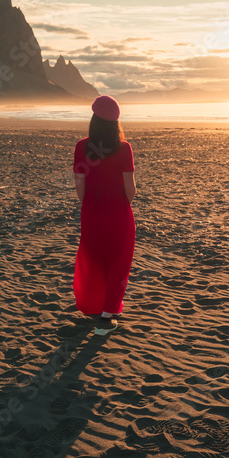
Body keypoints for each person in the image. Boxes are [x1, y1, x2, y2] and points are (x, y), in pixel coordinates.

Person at [72, 95, 136, 335]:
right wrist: (122, 206)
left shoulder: (81, 146)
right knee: (119, 259)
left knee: (94, 257)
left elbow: (80, 184)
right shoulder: (124, 148)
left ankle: (96, 308)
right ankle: (107, 317)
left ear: (94, 120)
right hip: (118, 211)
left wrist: (89, 204)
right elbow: (130, 187)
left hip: (91, 211)